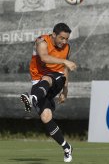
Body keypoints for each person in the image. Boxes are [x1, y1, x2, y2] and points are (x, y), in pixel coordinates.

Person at [20, 23, 77, 163]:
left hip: (57, 78)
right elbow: (44, 57)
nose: (64, 42)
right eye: (62, 38)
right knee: (46, 117)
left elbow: (64, 69)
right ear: (53, 35)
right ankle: (67, 147)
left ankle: (31, 98)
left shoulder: (66, 47)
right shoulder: (41, 42)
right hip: (39, 84)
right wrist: (65, 61)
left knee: (48, 78)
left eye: (67, 39)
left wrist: (65, 89)